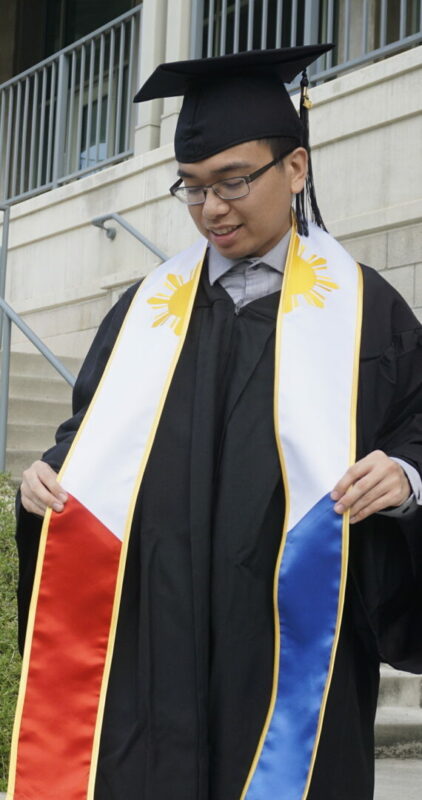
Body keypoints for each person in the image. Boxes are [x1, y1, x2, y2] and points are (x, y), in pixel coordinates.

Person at [11, 45, 422, 800]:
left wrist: (406, 477)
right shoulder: (143, 311)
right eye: (192, 189)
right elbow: (88, 441)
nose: (212, 209)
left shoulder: (366, 311)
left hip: (292, 656)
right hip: (155, 648)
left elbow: (417, 430)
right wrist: (45, 479)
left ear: (295, 168)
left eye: (234, 181)